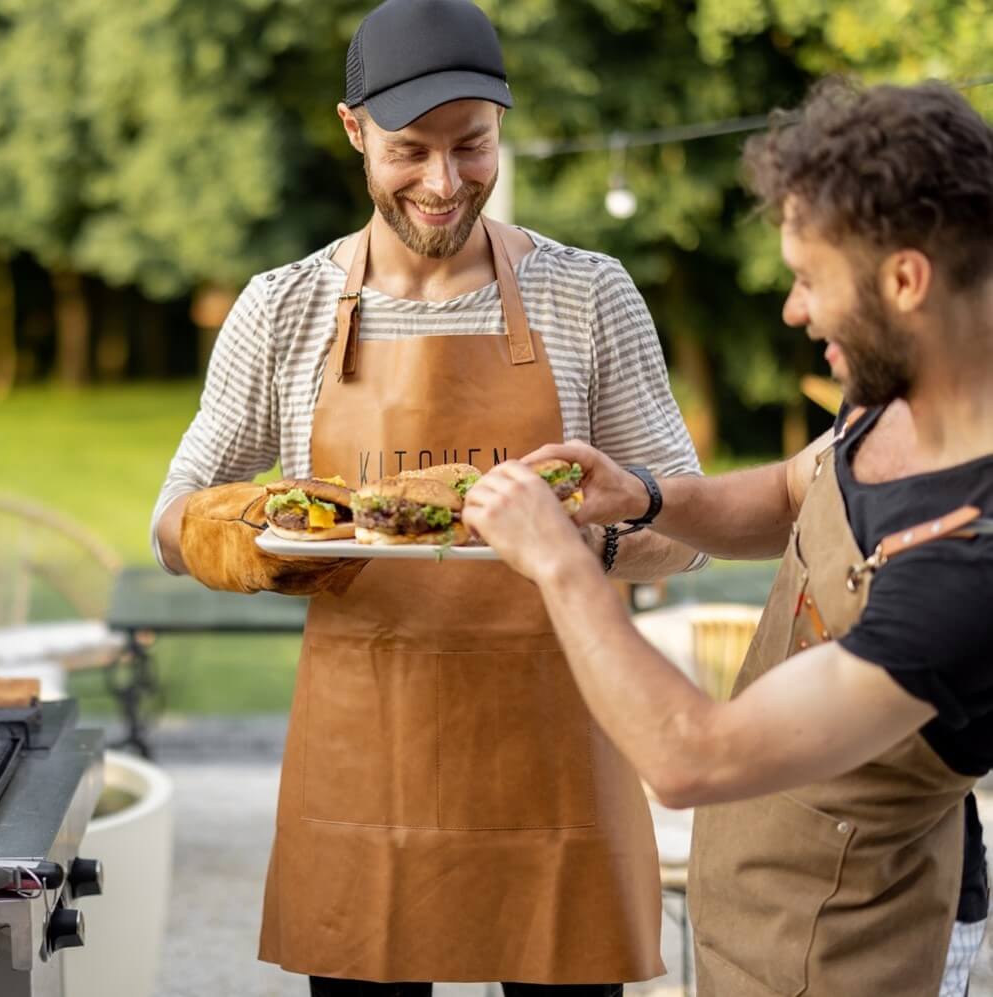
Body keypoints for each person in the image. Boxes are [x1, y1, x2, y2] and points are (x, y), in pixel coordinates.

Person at [150, 1, 708, 991]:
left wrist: (590, 543)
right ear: (352, 129)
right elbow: (171, 519)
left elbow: (686, 519)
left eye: (472, 146)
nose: (445, 184)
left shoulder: (589, 295)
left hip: (556, 767)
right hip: (363, 777)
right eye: (409, 150)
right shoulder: (282, 308)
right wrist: (259, 541)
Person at [464, 79, 993, 995]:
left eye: (809, 278)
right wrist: (644, 495)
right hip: (754, 923)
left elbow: (689, 756)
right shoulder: (899, 386)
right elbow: (800, 488)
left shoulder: (967, 564)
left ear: (906, 280)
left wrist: (558, 561)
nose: (793, 309)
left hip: (851, 958)